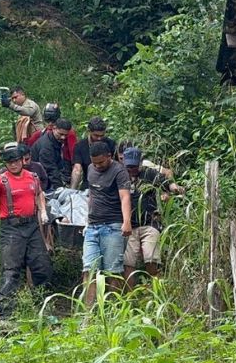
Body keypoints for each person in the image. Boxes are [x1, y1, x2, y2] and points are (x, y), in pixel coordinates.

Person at [0, 144, 51, 319]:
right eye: (9, 162)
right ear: (6, 164)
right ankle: (4, 315)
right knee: (11, 271)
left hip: (32, 226)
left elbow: (39, 194)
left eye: (16, 161)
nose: (13, 165)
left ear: (22, 160)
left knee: (42, 267)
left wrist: (43, 211)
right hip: (11, 228)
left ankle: (42, 309)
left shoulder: (33, 177)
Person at [122, 147, 184, 283]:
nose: (131, 170)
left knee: (151, 259)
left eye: (134, 166)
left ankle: (156, 292)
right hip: (129, 225)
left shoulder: (149, 174)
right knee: (128, 264)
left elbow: (167, 183)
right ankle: (130, 297)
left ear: (140, 163)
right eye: (129, 167)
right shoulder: (120, 175)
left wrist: (175, 189)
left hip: (149, 223)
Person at [82, 141, 131, 308]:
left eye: (101, 162)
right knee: (89, 269)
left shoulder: (119, 171)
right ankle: (88, 313)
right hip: (92, 226)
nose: (98, 166)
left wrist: (126, 222)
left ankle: (113, 311)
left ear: (109, 157)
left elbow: (125, 197)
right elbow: (92, 195)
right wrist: (87, 220)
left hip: (113, 226)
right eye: (94, 162)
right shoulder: (90, 169)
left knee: (113, 271)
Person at [71, 116, 116, 190]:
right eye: (96, 135)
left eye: (102, 135)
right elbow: (77, 169)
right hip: (89, 185)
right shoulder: (80, 146)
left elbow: (117, 166)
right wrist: (72, 191)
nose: (99, 138)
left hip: (108, 184)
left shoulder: (110, 144)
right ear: (89, 131)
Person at [31, 118, 72, 189]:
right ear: (54, 128)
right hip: (38, 180)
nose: (63, 137)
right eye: (61, 134)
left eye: (66, 135)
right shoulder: (47, 146)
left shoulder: (56, 141)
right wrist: (60, 189)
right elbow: (50, 169)